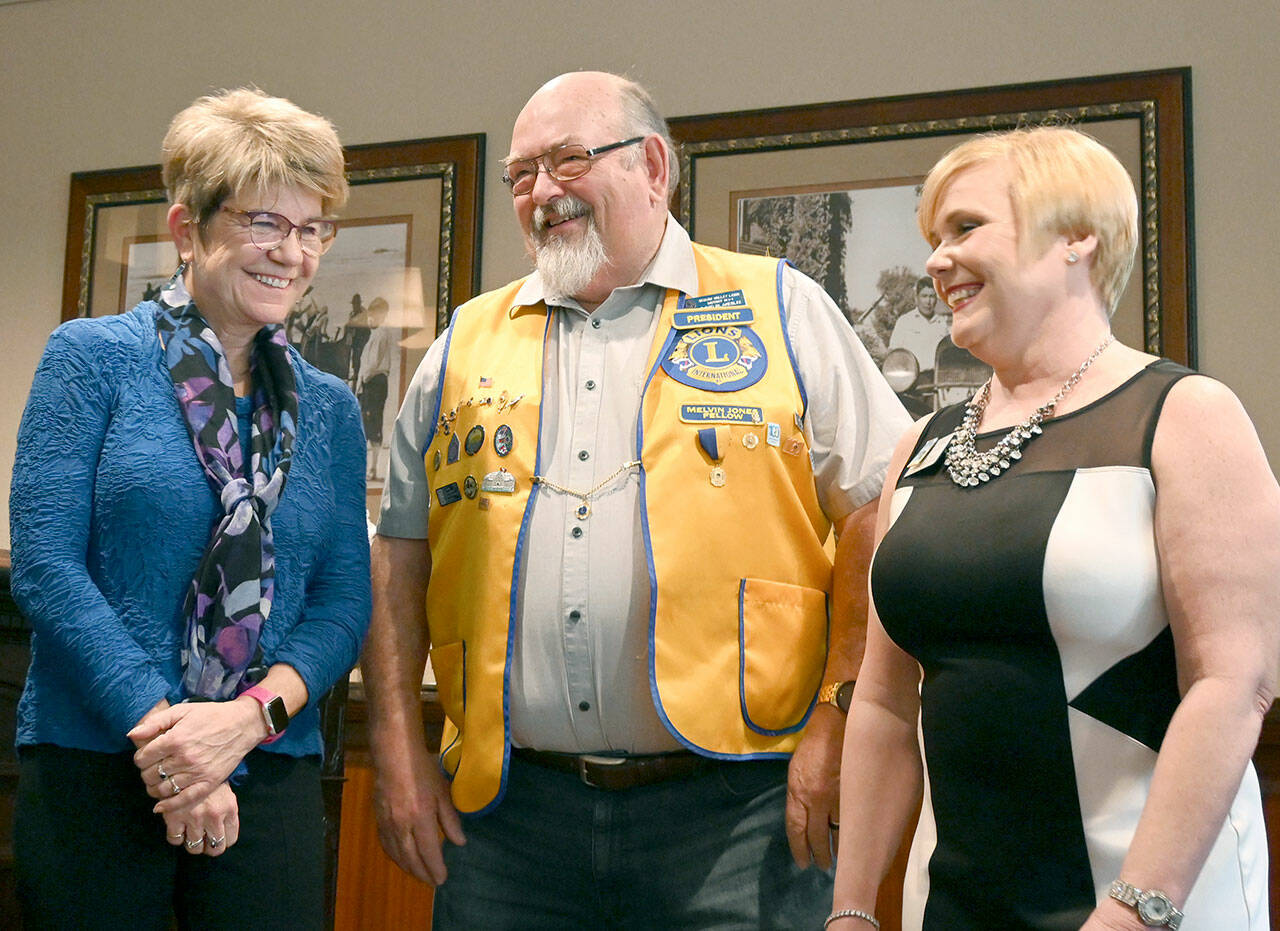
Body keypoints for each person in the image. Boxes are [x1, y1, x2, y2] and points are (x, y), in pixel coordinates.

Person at [362, 70, 911, 928]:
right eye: (520, 174)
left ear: (652, 165)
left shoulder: (781, 307)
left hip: (738, 811)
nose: (541, 191)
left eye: (567, 160)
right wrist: (396, 743)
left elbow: (879, 509)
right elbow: (399, 550)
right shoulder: (464, 342)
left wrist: (841, 712)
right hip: (509, 819)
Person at [829, 126, 1277, 930]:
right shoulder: (920, 445)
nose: (936, 261)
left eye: (965, 228)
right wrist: (852, 911)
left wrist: (1134, 912)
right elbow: (886, 706)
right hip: (954, 905)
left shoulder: (1185, 416)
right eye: (933, 239)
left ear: (1077, 236)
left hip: (1145, 902)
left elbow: (1233, 683)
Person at [9, 87, 371, 929]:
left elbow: (343, 601)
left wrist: (242, 723)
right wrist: (176, 742)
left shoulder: (330, 408)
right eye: (264, 222)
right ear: (186, 229)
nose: (292, 252)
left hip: (269, 763)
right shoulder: (91, 359)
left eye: (312, 228)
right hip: (97, 757)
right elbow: (46, 566)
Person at [356, 295, 394, 480]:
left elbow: (371, 365)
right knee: (368, 422)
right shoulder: (376, 335)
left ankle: (372, 469)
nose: (369, 319)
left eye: (372, 316)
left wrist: (362, 381)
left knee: (372, 422)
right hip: (371, 382)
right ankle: (369, 468)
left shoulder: (380, 335)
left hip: (375, 382)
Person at [887, 276, 950, 369]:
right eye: (924, 296)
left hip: (937, 375)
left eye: (932, 296)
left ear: (936, 299)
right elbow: (893, 355)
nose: (928, 301)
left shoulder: (942, 323)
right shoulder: (904, 322)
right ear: (916, 298)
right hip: (913, 375)